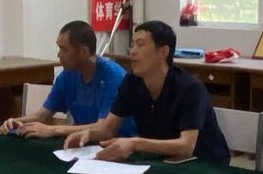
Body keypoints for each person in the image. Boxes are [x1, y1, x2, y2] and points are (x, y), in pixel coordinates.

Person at [63, 20, 229, 164]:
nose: (132, 51)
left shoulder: (190, 88)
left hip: (204, 164)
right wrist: (87, 134)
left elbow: (186, 146)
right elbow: (108, 129)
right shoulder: (131, 82)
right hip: (162, 161)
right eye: (132, 45)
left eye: (140, 44)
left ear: (163, 52)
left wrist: (134, 143)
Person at [0, 20, 135, 138]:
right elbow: (42, 115)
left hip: (121, 145)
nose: (59, 55)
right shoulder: (67, 76)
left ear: (83, 52)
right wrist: (15, 122)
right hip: (84, 145)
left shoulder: (114, 78)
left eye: (64, 49)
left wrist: (53, 130)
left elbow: (103, 129)